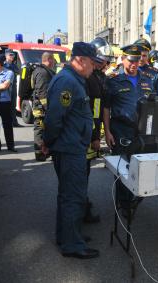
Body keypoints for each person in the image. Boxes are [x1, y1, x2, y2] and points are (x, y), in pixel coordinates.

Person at [43, 42, 101, 259]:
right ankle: (72, 244)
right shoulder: (67, 82)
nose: (94, 67)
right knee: (73, 197)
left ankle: (68, 236)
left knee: (68, 195)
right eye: (92, 63)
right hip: (69, 149)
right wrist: (48, 142)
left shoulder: (73, 80)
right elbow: (54, 118)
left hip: (72, 146)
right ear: (81, 60)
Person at [103, 44, 154, 214]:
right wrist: (107, 132)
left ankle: (135, 198)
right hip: (121, 129)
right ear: (123, 59)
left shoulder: (147, 79)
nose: (134, 64)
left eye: (137, 60)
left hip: (142, 130)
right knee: (123, 168)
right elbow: (106, 108)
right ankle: (123, 203)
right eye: (131, 60)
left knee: (141, 166)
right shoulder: (113, 80)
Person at [83, 37, 114, 224]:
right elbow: (93, 109)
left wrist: (103, 132)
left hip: (91, 131)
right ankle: (82, 208)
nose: (106, 64)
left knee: (83, 173)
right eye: (103, 60)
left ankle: (83, 204)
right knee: (82, 174)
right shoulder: (89, 78)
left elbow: (103, 106)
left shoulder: (99, 77)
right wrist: (95, 136)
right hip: (86, 134)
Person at [32, 52, 56, 161]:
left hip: (42, 107)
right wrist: (48, 108)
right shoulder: (42, 72)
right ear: (49, 59)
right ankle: (39, 153)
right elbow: (42, 93)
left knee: (44, 129)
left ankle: (45, 150)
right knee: (40, 129)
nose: (54, 62)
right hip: (41, 108)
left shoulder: (44, 71)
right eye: (54, 60)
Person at [0, 54, 16, 152]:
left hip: (5, 102)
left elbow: (5, 86)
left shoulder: (9, 73)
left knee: (7, 125)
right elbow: (0, 86)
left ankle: (10, 146)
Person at [3, 49, 22, 127]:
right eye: (10, 55)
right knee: (6, 105)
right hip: (6, 87)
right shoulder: (3, 64)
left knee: (13, 105)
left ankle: (14, 122)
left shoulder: (14, 65)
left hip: (13, 86)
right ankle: (6, 122)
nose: (12, 56)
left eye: (13, 55)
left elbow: (18, 72)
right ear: (6, 56)